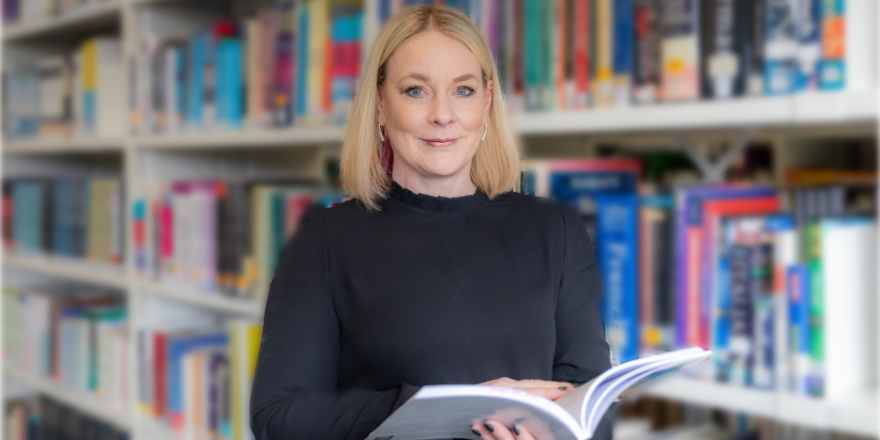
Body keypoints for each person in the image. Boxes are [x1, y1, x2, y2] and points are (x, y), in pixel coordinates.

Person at [249, 5, 614, 440]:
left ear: (487, 100)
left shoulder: (557, 230)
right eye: (416, 91)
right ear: (380, 105)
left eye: (463, 90)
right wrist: (451, 407)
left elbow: (595, 405)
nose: (443, 114)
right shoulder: (326, 241)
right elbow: (278, 416)